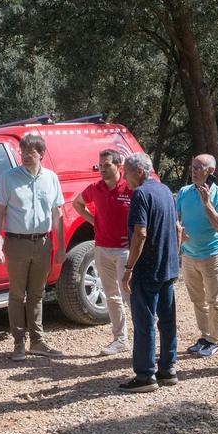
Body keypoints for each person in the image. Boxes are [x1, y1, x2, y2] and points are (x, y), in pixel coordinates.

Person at [0, 134, 66, 361]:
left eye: (30, 152)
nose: (24, 156)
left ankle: (38, 341)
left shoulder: (51, 178)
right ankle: (18, 344)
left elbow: (57, 213)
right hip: (16, 243)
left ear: (41, 154)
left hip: (43, 243)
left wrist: (60, 246)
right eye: (22, 152)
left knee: (37, 294)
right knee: (16, 294)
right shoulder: (9, 178)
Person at [119, 153, 180, 392]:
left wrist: (129, 269)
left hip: (147, 269)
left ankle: (145, 375)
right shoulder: (165, 190)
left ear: (140, 172)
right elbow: (176, 227)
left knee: (144, 322)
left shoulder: (140, 194)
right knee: (167, 320)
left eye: (127, 172)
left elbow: (140, 233)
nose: (125, 178)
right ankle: (168, 369)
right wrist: (176, 259)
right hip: (168, 267)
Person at [73, 149, 132, 356]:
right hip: (102, 248)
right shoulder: (95, 188)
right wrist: (94, 222)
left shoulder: (130, 187)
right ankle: (120, 339)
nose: (103, 170)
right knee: (112, 296)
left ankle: (145, 337)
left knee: (131, 295)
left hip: (126, 250)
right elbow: (77, 203)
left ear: (119, 166)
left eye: (107, 165)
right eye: (100, 166)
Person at [176, 154, 218, 357]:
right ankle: (205, 335)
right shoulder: (183, 192)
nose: (194, 171)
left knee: (214, 300)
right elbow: (176, 217)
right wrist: (179, 232)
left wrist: (207, 203)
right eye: (192, 167)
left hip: (211, 256)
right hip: (188, 256)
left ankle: (214, 340)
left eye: (199, 167)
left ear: (211, 171)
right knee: (197, 299)